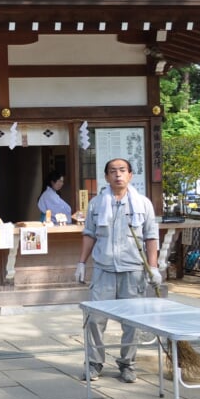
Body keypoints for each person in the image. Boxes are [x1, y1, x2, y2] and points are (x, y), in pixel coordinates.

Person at [74, 159, 160, 384]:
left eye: (122, 171)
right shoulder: (96, 204)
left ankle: (128, 364)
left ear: (130, 175)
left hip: (133, 271)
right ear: (106, 177)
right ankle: (94, 363)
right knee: (94, 319)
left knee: (132, 322)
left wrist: (153, 267)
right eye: (113, 171)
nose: (118, 175)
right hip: (103, 269)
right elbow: (89, 234)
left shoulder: (143, 204)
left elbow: (151, 237)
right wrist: (81, 263)